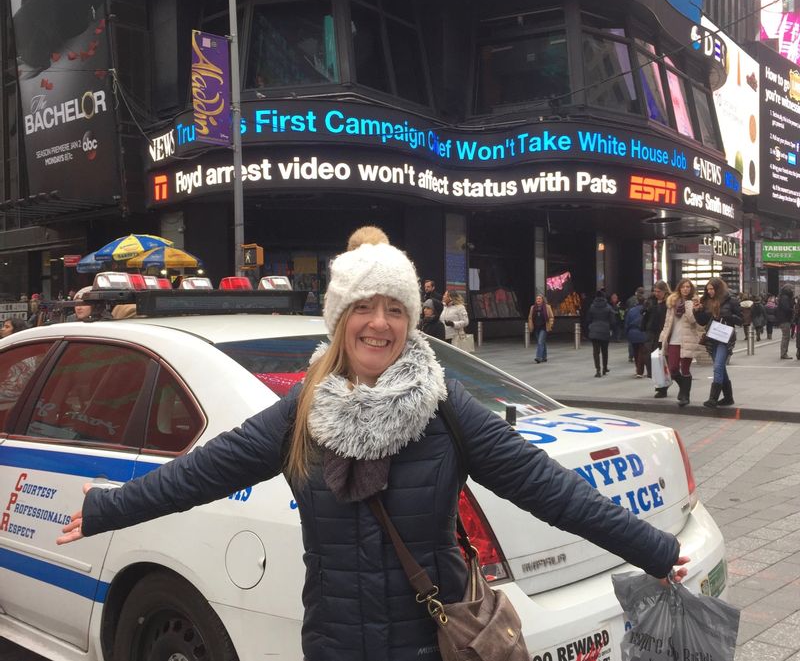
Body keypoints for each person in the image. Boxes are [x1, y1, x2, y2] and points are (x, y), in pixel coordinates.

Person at [56, 233, 688, 661]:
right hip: (333, 644)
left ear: (411, 321)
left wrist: (652, 549)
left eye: (395, 308)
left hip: (429, 642)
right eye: (364, 306)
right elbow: (203, 473)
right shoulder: (301, 412)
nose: (379, 322)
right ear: (340, 319)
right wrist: (107, 509)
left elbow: (548, 489)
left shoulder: (445, 409)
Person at [695, 277, 742, 408]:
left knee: (717, 366)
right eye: (708, 289)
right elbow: (702, 321)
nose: (709, 291)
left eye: (711, 289)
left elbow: (741, 319)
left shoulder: (731, 300)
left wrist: (727, 317)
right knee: (720, 366)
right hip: (711, 338)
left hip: (725, 338)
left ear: (718, 288)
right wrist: (697, 311)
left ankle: (713, 398)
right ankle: (728, 397)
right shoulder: (706, 301)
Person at [658, 279, 703, 407]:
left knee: (685, 369)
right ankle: (683, 388)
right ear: (679, 288)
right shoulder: (672, 302)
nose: (685, 289)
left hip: (687, 339)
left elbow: (693, 320)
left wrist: (690, 306)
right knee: (673, 369)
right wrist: (662, 337)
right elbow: (667, 322)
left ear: (691, 289)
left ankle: (685, 396)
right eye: (683, 287)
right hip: (673, 340)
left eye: (688, 287)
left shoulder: (695, 302)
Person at [642, 281, 670, 396]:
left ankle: (662, 387)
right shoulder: (650, 302)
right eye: (655, 291)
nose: (656, 293)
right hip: (651, 334)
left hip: (662, 334)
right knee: (651, 359)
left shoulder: (668, 303)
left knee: (661, 360)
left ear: (664, 291)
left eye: (659, 291)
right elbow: (645, 316)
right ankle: (659, 383)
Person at [587, 291, 615, 377]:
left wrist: (591, 326)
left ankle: (598, 370)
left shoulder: (592, 307)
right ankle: (605, 368)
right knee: (604, 351)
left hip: (594, 331)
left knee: (596, 352)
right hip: (605, 331)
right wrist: (611, 329)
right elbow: (612, 321)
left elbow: (588, 319)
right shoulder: (608, 307)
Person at [624, 297, 648, 378]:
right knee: (642, 352)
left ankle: (637, 369)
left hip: (632, 332)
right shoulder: (646, 310)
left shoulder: (631, 310)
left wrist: (626, 333)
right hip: (643, 332)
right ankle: (640, 371)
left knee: (635, 352)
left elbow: (626, 322)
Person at [527, 293, 554, 363]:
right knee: (542, 342)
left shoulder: (547, 307)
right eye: (537, 299)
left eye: (539, 299)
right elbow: (530, 317)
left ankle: (538, 357)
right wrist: (530, 325)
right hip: (536, 327)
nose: (538, 300)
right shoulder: (532, 307)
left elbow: (551, 317)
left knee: (540, 342)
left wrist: (550, 324)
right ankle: (544, 357)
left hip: (544, 327)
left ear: (542, 300)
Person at [777, 285, 795, 359]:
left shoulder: (783, 297)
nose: (792, 291)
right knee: (786, 337)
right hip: (784, 320)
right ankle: (783, 353)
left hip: (784, 319)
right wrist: (793, 310)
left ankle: (784, 353)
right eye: (791, 289)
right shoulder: (785, 298)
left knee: (786, 336)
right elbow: (786, 308)